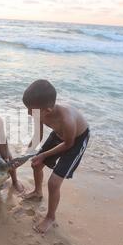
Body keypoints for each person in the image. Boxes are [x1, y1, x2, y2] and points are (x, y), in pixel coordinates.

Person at [22, 80, 90, 234]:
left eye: (30, 110)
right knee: (36, 164)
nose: (28, 113)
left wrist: (44, 154)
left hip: (75, 140)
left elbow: (68, 144)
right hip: (59, 135)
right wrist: (25, 156)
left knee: (53, 183)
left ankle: (50, 217)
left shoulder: (67, 120)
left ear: (47, 110)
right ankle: (38, 192)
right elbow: (37, 135)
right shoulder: (40, 112)